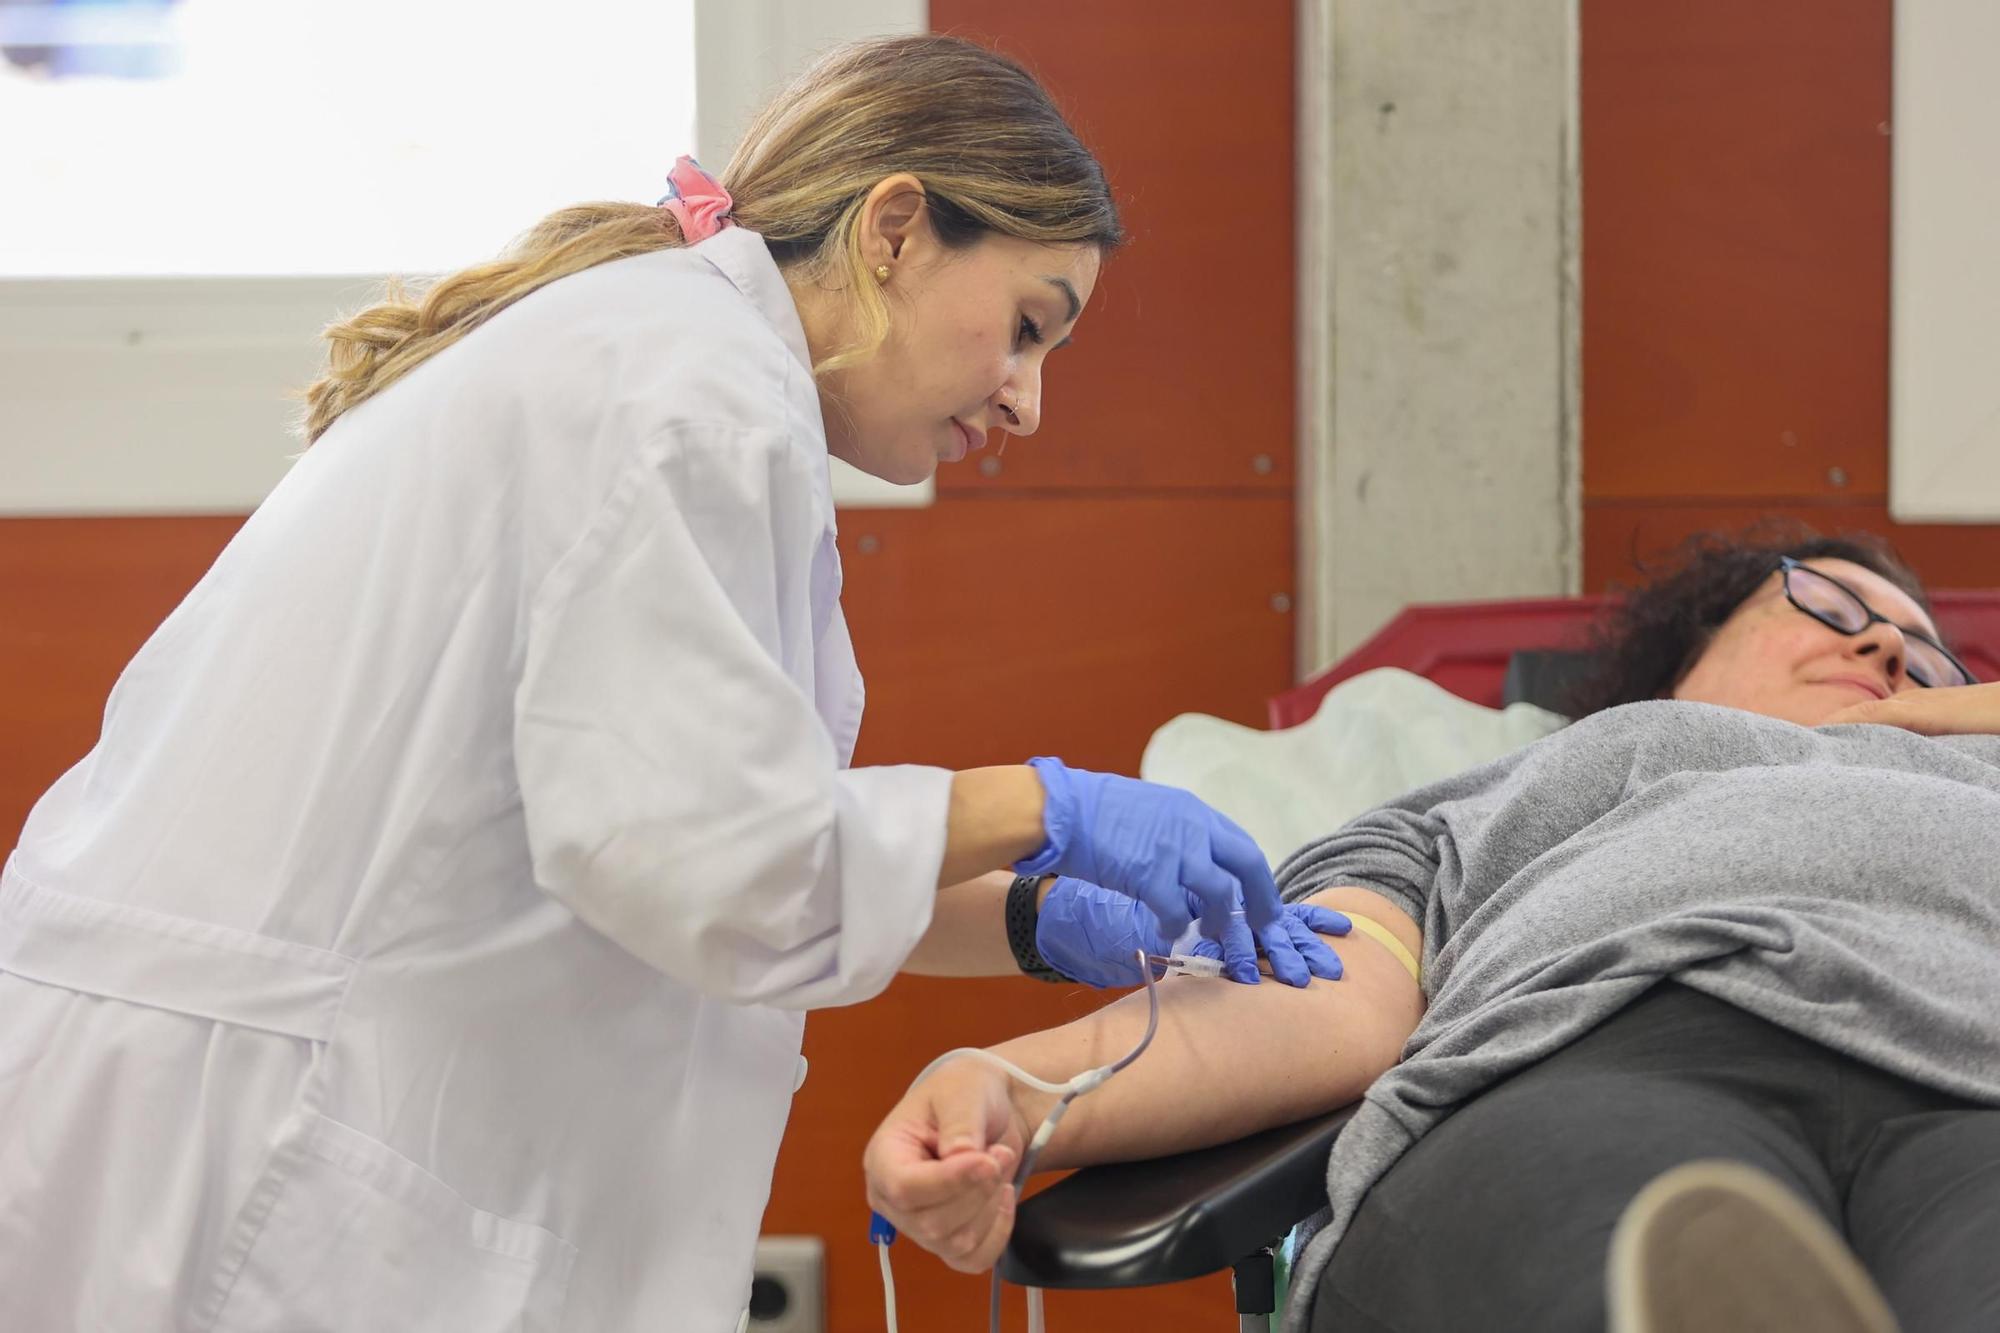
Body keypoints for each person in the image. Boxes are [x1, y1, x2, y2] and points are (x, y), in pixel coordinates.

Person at [0, 34, 1345, 1333]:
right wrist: (1044, 805)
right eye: (1027, 326)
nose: (1026, 404)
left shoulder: (676, 359)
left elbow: (738, 853)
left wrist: (1037, 919)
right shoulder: (685, 393)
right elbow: (705, 860)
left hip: (248, 1087)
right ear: (894, 229)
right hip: (242, 1132)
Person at [864, 524, 2000, 1332]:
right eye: (1830, 607)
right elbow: (1321, 999)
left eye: (1923, 648)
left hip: (1977, 1077)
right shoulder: (1546, 773)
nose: (1885, 650)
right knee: (1619, 1267)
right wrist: (1013, 1088)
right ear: (1682, 664)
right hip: (1588, 1065)